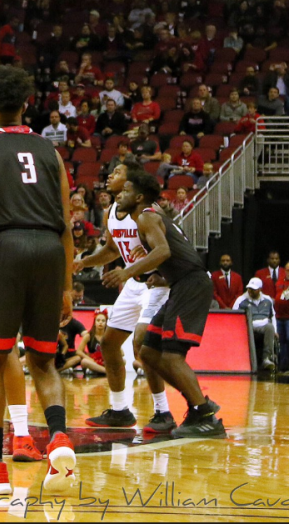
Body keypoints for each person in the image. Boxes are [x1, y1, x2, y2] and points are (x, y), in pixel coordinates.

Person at [0, 65, 77, 495]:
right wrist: (67, 285)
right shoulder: (50, 151)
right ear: (26, 105)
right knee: (43, 360)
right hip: (48, 250)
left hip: (5, 249)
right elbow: (67, 225)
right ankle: (59, 436)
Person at [103, 171, 225, 438]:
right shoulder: (149, 217)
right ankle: (197, 405)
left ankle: (206, 417)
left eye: (125, 191)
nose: (119, 195)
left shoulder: (147, 216)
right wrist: (161, 273)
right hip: (178, 282)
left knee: (171, 355)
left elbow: (164, 251)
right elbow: (176, 251)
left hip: (191, 285)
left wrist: (127, 271)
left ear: (138, 197)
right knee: (147, 352)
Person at [73, 161, 172, 432]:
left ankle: (163, 411)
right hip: (132, 283)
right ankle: (119, 410)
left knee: (143, 345)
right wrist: (85, 262)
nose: (111, 176)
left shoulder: (148, 211)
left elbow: (169, 246)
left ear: (132, 183)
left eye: (118, 173)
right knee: (108, 343)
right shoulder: (111, 211)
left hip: (157, 282)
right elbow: (113, 250)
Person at [234, 277, 278, 371]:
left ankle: (267, 358)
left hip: (264, 325)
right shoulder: (241, 300)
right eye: (249, 288)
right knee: (249, 328)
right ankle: (250, 362)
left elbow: (273, 315)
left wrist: (276, 331)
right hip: (249, 327)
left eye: (253, 289)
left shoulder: (267, 299)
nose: (250, 291)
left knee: (270, 327)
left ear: (260, 289)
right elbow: (234, 316)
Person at [76, 310, 109, 375]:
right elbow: (79, 351)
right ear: (94, 322)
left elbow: (121, 352)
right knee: (84, 361)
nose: (100, 323)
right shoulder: (89, 336)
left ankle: (102, 370)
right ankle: (106, 371)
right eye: (98, 320)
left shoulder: (108, 336)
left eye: (103, 321)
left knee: (122, 361)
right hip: (93, 360)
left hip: (105, 360)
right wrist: (89, 358)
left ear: (106, 323)